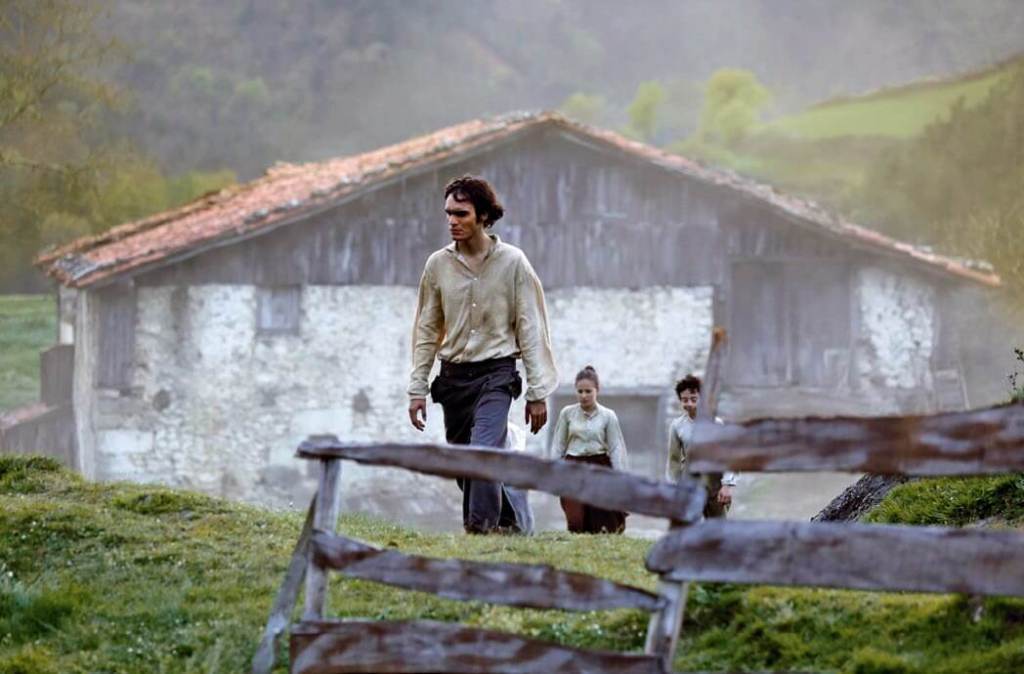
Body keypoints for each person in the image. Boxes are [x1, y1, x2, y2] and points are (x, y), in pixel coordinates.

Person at [407, 175, 558, 534]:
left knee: (483, 454)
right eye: (448, 214)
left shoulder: (514, 263)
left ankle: (480, 531)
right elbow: (427, 329)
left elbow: (531, 328)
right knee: (466, 463)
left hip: (497, 375)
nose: (452, 221)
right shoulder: (437, 266)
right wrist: (417, 387)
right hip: (454, 378)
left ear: (484, 216)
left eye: (461, 213)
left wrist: (537, 393)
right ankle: (512, 519)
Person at [551, 365, 629, 534]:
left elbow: (616, 448)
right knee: (575, 519)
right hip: (572, 466)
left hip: (599, 465)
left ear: (597, 390)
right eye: (580, 391)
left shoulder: (608, 416)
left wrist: (619, 477)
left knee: (602, 521)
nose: (584, 396)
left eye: (588, 391)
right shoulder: (567, 413)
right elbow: (558, 444)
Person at [666, 374, 737, 518]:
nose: (690, 404)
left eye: (694, 399)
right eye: (685, 400)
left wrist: (727, 485)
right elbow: (674, 460)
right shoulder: (677, 426)